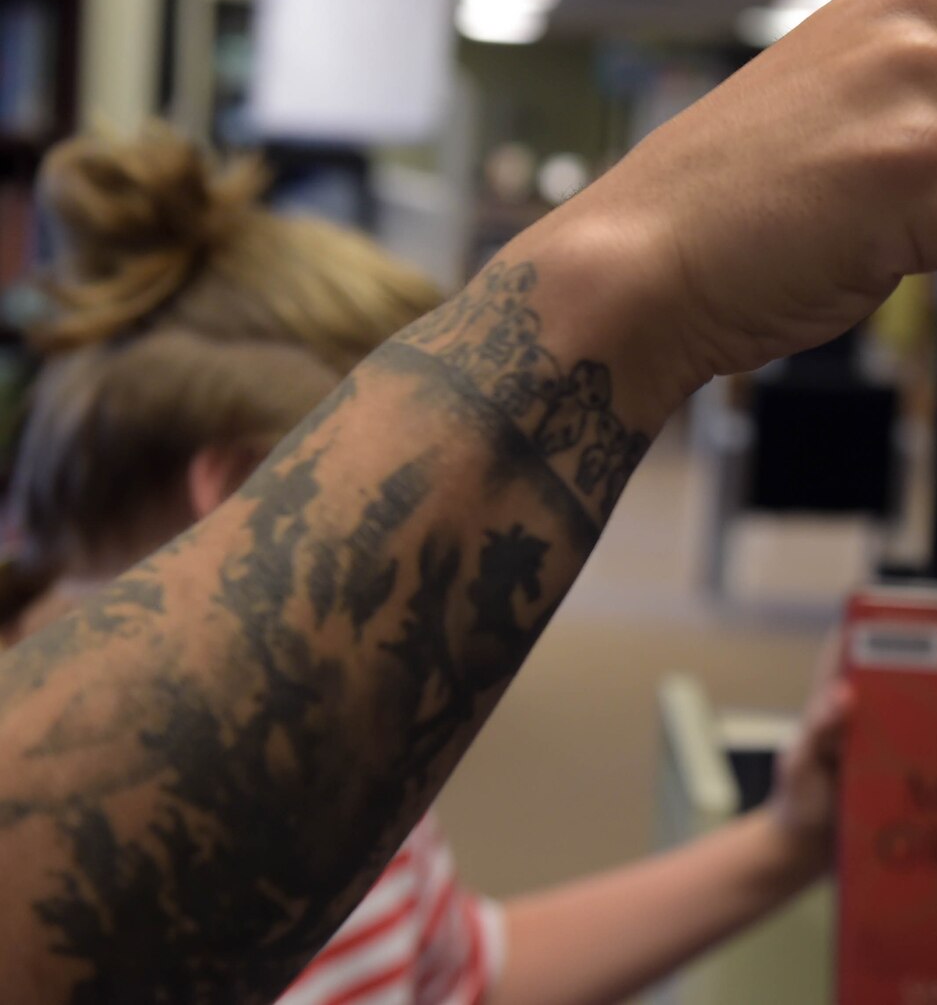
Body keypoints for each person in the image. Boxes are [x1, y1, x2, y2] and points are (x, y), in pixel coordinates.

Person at [0, 0, 937, 1002]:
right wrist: (632, 276)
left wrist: (782, 845)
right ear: (260, 489)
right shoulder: (199, 814)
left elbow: (454, 970)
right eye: (457, 484)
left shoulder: (304, 769)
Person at [0, 131, 851, 1004]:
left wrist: (790, 840)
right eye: (413, 519)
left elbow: (460, 968)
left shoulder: (322, 723)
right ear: (242, 496)